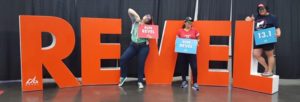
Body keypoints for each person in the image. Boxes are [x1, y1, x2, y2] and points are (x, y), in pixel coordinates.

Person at [118, 8, 153, 89]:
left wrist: (148, 40)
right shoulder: (135, 21)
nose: (147, 17)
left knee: (141, 64)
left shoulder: (148, 27)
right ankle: (123, 76)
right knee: (123, 59)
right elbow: (129, 10)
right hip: (133, 45)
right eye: (146, 16)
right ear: (143, 16)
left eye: (149, 18)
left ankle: (140, 81)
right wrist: (137, 16)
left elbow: (152, 35)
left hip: (143, 47)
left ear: (149, 21)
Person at [245, 3, 281, 76]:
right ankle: (266, 68)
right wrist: (248, 19)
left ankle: (270, 71)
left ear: (266, 9)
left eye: (262, 9)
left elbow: (277, 28)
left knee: (270, 55)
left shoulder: (272, 17)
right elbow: (248, 19)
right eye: (259, 9)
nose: (261, 10)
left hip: (268, 38)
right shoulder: (257, 16)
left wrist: (278, 33)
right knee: (256, 54)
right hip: (259, 38)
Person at [176, 17, 200, 91]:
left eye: (190, 22)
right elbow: (177, 39)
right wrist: (177, 43)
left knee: (194, 67)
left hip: (191, 53)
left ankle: (195, 83)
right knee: (183, 67)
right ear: (185, 22)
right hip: (182, 52)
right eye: (188, 22)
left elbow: (198, 38)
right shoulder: (180, 30)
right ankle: (184, 81)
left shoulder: (195, 30)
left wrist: (197, 42)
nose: (189, 24)